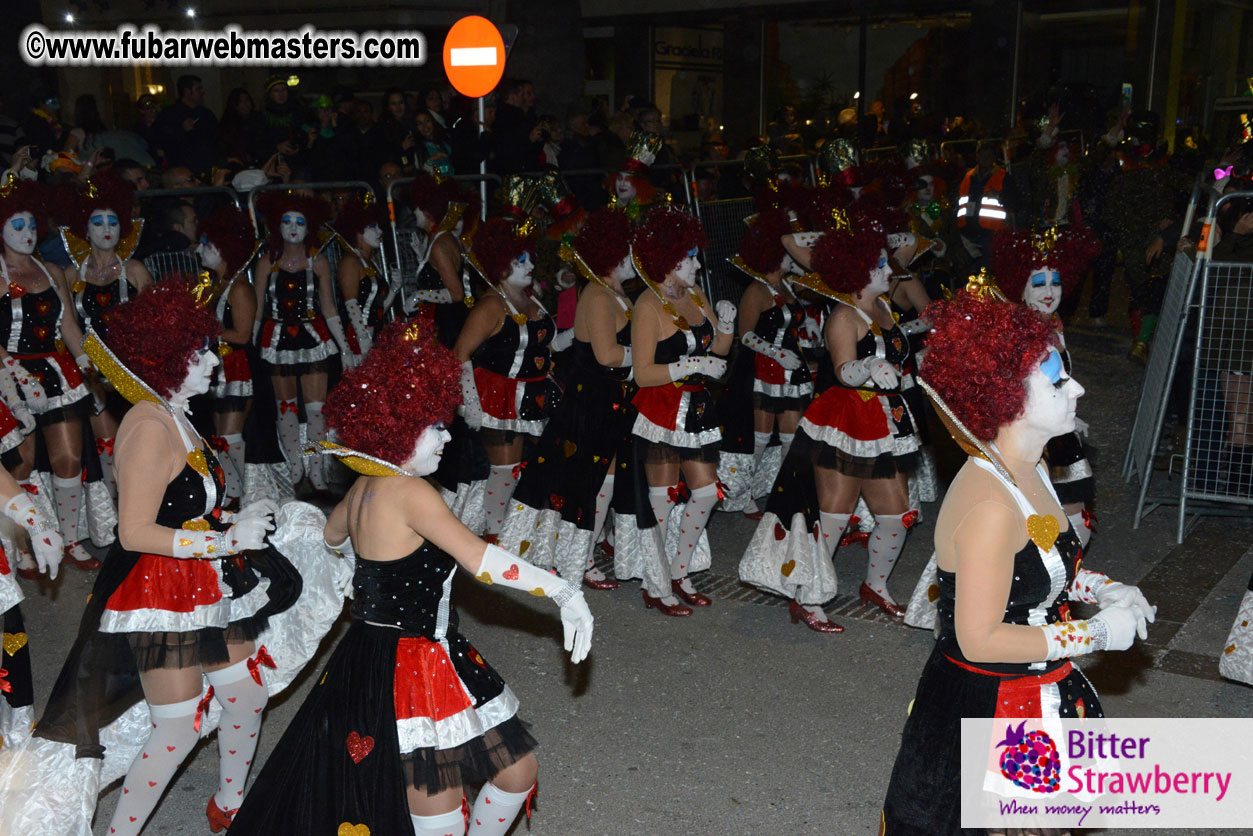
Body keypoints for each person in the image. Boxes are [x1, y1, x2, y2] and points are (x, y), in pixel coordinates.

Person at [226, 316, 593, 836]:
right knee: (438, 813)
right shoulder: (409, 492)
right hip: (409, 665)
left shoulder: (367, 484)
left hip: (396, 655)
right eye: (433, 426)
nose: (447, 435)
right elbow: (480, 561)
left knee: (516, 770)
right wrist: (561, 589)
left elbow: (329, 539)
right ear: (397, 429)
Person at [9, 281, 300, 836]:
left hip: (208, 578)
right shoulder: (146, 425)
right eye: (199, 354)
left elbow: (188, 505)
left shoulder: (178, 411)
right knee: (178, 728)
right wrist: (225, 541)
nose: (215, 360)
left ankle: (230, 805)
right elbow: (136, 532)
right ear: (164, 360)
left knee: (245, 695)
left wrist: (235, 518)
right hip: (159, 591)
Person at [880, 290, 1155, 835]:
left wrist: (1104, 589)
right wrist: (1095, 634)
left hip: (1035, 693)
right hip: (990, 706)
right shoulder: (989, 504)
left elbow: (1045, 563)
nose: (1078, 388)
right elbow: (979, 639)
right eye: (1057, 381)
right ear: (1005, 398)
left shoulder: (1029, 469)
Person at [740, 208, 919, 631]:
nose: (886, 270)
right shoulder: (844, 316)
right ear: (855, 272)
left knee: (896, 516)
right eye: (877, 265)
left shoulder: (884, 308)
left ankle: (875, 585)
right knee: (833, 515)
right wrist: (871, 369)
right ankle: (809, 596)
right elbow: (843, 370)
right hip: (846, 421)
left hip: (885, 421)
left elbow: (899, 354)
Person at [497, 208, 635, 589]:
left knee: (600, 480)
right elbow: (607, 356)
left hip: (610, 401)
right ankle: (575, 558)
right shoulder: (598, 294)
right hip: (590, 401)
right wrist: (649, 357)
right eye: (628, 251)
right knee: (578, 481)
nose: (634, 258)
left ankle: (581, 553)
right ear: (612, 254)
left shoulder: (617, 293)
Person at [625, 206, 734, 616]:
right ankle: (655, 584)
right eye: (689, 256)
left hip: (698, 409)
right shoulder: (647, 306)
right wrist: (691, 365)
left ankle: (678, 570)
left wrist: (725, 326)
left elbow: (719, 352)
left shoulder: (695, 294)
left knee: (706, 493)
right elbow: (642, 373)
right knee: (662, 501)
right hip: (661, 412)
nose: (696, 262)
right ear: (667, 260)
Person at [0, 176, 101, 571]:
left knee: (70, 459)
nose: (26, 233)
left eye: (30, 225)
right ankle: (24, 546)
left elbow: (71, 329)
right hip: (9, 377)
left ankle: (71, 538)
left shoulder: (53, 270)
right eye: (16, 225)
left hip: (55, 373)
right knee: (21, 466)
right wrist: (10, 372)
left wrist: (90, 366)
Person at [447, 214, 559, 540]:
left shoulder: (532, 298)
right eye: (519, 261)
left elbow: (549, 344)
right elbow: (460, 353)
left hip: (535, 392)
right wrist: (471, 404)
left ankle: (508, 527)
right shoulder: (491, 306)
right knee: (506, 469)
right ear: (501, 265)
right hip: (497, 395)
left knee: (527, 466)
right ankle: (494, 535)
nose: (529, 266)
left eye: (529, 259)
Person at [59, 171, 154, 501]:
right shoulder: (72, 274)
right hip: (91, 372)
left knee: (137, 442)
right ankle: (119, 509)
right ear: (85, 230)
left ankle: (146, 503)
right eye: (97, 222)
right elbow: (66, 325)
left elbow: (156, 322)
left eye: (112, 222)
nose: (106, 229)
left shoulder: (136, 270)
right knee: (108, 445)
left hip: (131, 370)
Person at [718, 208, 812, 517]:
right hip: (763, 372)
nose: (792, 258)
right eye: (787, 253)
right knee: (758, 441)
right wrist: (775, 352)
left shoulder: (787, 287)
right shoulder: (756, 290)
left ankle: (784, 493)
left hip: (791, 371)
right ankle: (743, 495)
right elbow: (744, 335)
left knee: (790, 438)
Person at [253, 192, 345, 491]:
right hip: (278, 339)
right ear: (276, 226)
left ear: (310, 226)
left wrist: (345, 348)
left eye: (300, 221)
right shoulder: (267, 262)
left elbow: (329, 307)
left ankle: (316, 467)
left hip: (312, 337)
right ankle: (295, 465)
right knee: (287, 408)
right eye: (286, 221)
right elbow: (257, 308)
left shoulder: (318, 263)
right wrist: (252, 345)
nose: (293, 227)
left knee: (316, 408)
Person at [198, 205, 260, 506]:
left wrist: (206, 330)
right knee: (219, 438)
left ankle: (239, 498)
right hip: (217, 368)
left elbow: (244, 336)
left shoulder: (239, 289)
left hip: (237, 368)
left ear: (223, 249)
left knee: (231, 436)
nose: (200, 250)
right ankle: (230, 495)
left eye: (206, 245)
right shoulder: (213, 285)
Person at [406, 172, 471, 347]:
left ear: (428, 212)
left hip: (447, 326)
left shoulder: (439, 245)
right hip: (445, 321)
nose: (414, 213)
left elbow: (456, 293)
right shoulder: (442, 238)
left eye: (417, 208)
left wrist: (418, 295)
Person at [330, 192, 390, 363]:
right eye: (372, 227)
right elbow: (351, 303)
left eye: (379, 226)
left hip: (375, 333)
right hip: (358, 336)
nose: (379, 231)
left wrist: (393, 290)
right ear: (356, 232)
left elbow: (376, 307)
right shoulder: (350, 261)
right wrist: (363, 337)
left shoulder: (371, 263)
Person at [152, 75, 219, 179]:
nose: (202, 92)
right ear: (187, 92)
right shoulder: (169, 115)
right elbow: (160, 140)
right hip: (183, 170)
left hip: (208, 168)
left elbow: (216, 138)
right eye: (198, 89)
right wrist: (181, 130)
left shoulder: (206, 114)